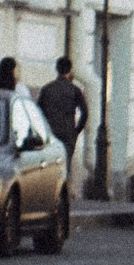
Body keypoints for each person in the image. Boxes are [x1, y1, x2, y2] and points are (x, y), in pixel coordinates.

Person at [37, 53, 88, 188]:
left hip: (50, 133)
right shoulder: (75, 90)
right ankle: (63, 192)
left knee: (49, 165)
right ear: (70, 70)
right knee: (65, 165)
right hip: (67, 133)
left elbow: (38, 112)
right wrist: (76, 131)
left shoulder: (47, 89)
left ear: (57, 69)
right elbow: (85, 113)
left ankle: (48, 190)